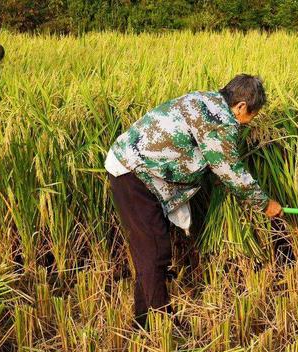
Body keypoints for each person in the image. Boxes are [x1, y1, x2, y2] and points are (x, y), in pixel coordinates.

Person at [105, 74, 283, 327]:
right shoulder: (221, 120)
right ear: (241, 106)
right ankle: (160, 324)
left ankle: (144, 321)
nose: (248, 123)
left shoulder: (205, 99)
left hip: (138, 170)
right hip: (134, 174)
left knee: (150, 251)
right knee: (155, 252)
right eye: (251, 116)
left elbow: (205, 151)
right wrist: (265, 204)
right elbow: (231, 170)